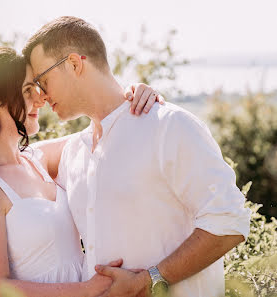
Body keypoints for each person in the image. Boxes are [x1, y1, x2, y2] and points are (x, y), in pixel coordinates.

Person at [23, 16, 251, 297]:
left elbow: (229, 221)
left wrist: (150, 279)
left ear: (74, 64)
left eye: (43, 81)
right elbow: (12, 158)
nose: (42, 96)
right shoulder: (74, 153)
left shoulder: (169, 126)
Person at [0, 46, 163, 297]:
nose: (40, 98)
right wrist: (87, 291)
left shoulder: (38, 160)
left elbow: (104, 128)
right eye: (27, 90)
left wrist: (133, 94)